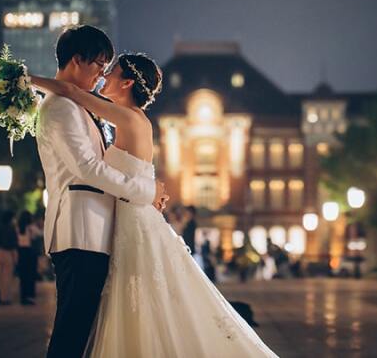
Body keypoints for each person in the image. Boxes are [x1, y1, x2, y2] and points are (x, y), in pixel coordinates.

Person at [32, 51, 278, 358]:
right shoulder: (134, 119)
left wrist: (23, 79)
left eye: (112, 72)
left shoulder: (124, 116)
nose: (104, 76)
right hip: (132, 216)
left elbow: (69, 91)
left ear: (127, 83)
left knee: (134, 302)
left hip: (132, 220)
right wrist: (151, 188)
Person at [33, 26, 169, 358]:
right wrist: (145, 190)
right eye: (99, 64)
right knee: (72, 332)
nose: (100, 75)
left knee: (82, 331)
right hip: (81, 231)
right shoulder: (62, 108)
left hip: (96, 231)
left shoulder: (80, 105)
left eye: (109, 67)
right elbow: (88, 169)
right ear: (77, 60)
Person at [0, 210, 18, 304]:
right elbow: (13, 243)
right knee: (7, 276)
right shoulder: (11, 229)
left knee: (0, 276)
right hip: (8, 253)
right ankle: (6, 298)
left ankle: (1, 296)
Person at [17, 210, 39, 305]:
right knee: (31, 275)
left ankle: (23, 296)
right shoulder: (31, 227)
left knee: (23, 275)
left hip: (20, 252)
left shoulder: (18, 228)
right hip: (30, 253)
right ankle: (30, 297)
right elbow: (39, 234)